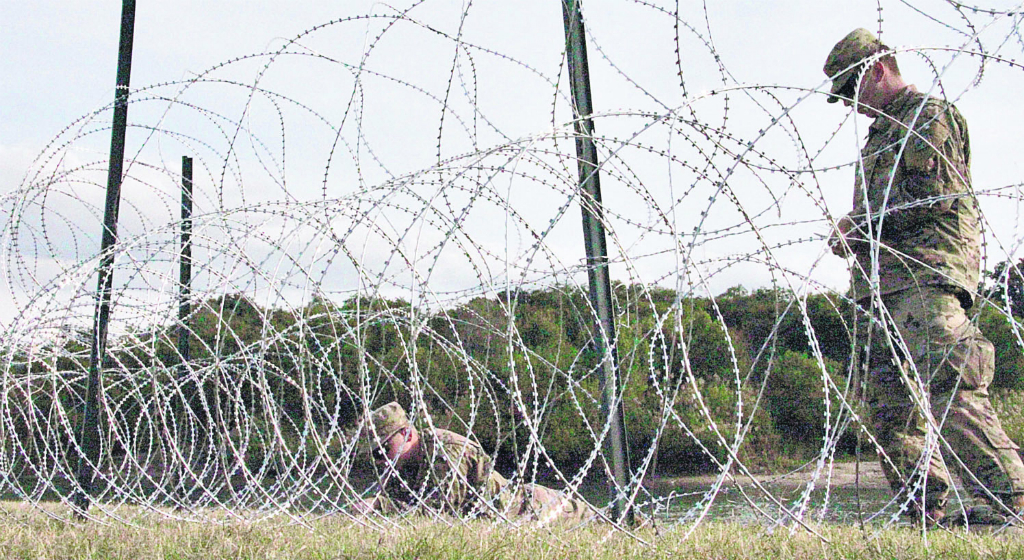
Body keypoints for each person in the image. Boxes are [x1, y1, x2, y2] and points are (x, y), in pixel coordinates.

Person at [824, 28, 1024, 527]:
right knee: (890, 409)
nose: (852, 105)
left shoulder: (927, 117)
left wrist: (862, 225)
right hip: (882, 285)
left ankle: (1012, 499)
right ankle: (923, 511)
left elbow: (930, 197)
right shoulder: (881, 134)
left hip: (926, 275)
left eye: (853, 90)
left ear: (877, 71)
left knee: (950, 387)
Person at [357, 401, 592, 524]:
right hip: (502, 513)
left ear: (407, 435)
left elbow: (437, 512)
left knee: (599, 518)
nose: (381, 459)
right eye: (375, 455)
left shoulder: (445, 451)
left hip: (530, 509)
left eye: (383, 449)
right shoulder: (402, 464)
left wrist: (379, 506)